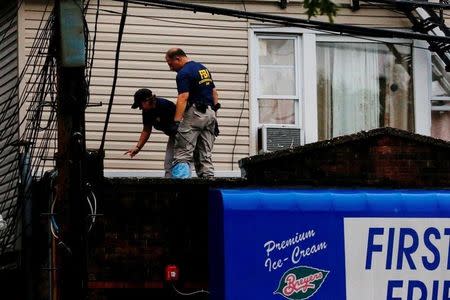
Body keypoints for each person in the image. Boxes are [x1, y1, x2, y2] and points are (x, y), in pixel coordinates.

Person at [165, 48, 220, 178]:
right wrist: (214, 118)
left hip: (195, 113)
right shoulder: (202, 69)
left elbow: (183, 97)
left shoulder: (184, 73)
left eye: (170, 64)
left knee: (182, 152)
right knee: (205, 154)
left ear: (177, 58)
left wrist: (176, 122)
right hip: (210, 113)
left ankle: (181, 189)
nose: (170, 68)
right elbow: (214, 93)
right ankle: (208, 186)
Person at [125, 88, 178, 177]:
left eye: (140, 105)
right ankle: (169, 187)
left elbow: (182, 120)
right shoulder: (147, 112)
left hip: (183, 134)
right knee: (168, 163)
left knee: (181, 161)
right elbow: (146, 130)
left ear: (147, 101)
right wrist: (138, 147)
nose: (140, 108)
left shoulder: (165, 105)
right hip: (173, 135)